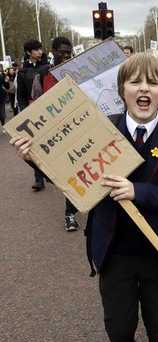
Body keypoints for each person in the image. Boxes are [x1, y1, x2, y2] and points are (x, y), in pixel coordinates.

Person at [12, 53, 158, 342]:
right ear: (122, 89)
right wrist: (35, 158)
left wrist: (138, 191)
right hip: (114, 253)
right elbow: (72, 178)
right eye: (135, 81)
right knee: (119, 330)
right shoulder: (100, 131)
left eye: (152, 82)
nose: (144, 89)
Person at [40, 37, 82, 232]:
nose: (66, 55)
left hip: (80, 126)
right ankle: (71, 212)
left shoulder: (78, 72)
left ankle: (71, 212)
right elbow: (34, 102)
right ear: (53, 51)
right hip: (56, 132)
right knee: (67, 173)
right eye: (62, 52)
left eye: (69, 52)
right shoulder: (43, 75)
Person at [16, 39, 49, 191]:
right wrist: (24, 112)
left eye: (40, 49)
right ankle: (38, 179)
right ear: (29, 52)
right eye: (36, 49)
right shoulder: (22, 72)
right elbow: (21, 95)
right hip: (33, 112)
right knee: (34, 146)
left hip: (49, 109)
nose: (40, 51)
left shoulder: (48, 67)